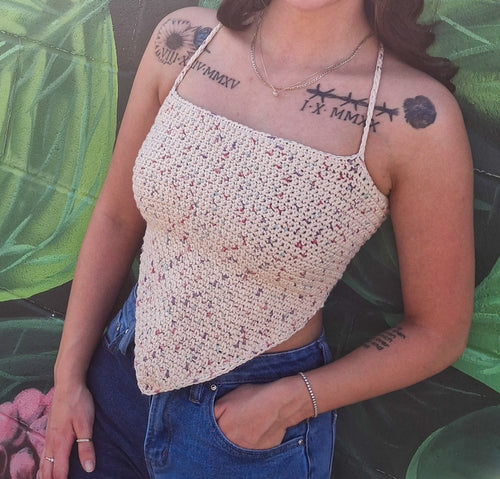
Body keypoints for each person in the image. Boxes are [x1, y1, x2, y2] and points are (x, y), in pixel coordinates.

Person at [41, 0, 474, 478]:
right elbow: (116, 218)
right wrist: (68, 378)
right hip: (115, 385)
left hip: (249, 432)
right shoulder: (183, 40)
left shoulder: (414, 117)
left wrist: (290, 402)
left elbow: (437, 332)